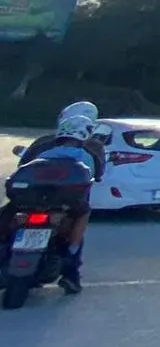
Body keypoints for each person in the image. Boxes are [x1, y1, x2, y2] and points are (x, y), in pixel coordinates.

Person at [18, 101, 105, 292]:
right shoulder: (94, 147)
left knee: (9, 214)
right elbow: (98, 175)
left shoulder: (43, 143)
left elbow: (23, 165)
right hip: (70, 202)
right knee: (77, 224)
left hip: (32, 199)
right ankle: (71, 276)